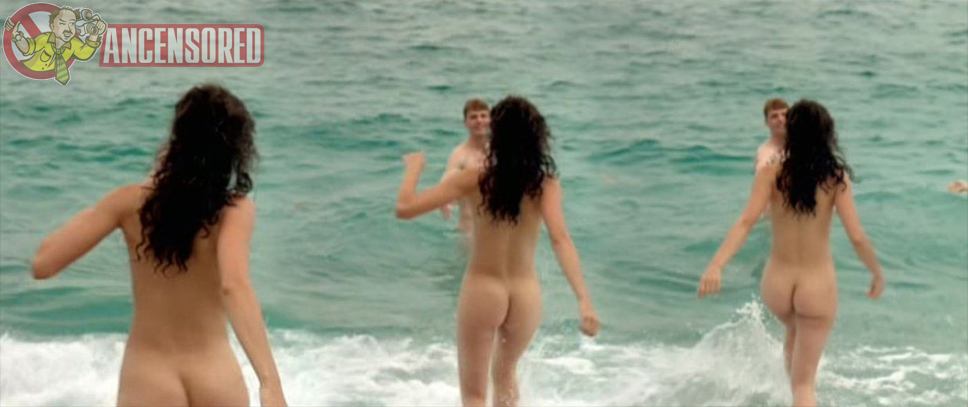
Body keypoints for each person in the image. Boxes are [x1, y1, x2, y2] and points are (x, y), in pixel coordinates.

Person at [30, 84, 287, 406]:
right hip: (215, 374)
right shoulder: (235, 211)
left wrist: (147, 185)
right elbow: (234, 286)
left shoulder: (127, 202)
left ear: (176, 141)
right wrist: (269, 383)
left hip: (149, 376)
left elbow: (43, 263)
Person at [396, 96, 600, 407]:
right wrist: (584, 300)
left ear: (496, 134)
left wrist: (414, 169)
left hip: (483, 289)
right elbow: (561, 239)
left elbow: (405, 208)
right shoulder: (545, 184)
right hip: (526, 295)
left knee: (474, 395)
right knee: (505, 377)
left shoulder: (475, 178)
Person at [698, 99, 885, 407]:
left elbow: (746, 222)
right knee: (804, 385)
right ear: (826, 133)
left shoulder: (771, 171)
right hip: (816, 287)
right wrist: (876, 271)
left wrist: (716, 265)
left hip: (776, 285)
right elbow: (857, 236)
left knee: (795, 334)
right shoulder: (835, 177)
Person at [440, 98, 491, 239]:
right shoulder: (460, 155)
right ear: (465, 123)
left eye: (483, 116)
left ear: (490, 120)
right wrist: (445, 201)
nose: (479, 120)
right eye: (473, 117)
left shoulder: (499, 152)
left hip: (498, 232)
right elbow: (447, 181)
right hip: (469, 233)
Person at [756, 98, 789, 172]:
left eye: (784, 115)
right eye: (774, 116)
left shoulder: (802, 145)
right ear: (766, 122)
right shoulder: (765, 154)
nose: (780, 119)